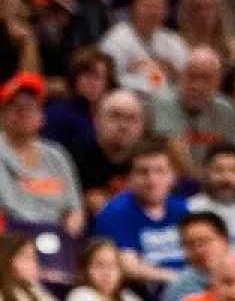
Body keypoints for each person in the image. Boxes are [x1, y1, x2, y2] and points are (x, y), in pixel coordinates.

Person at [91, 138, 190, 286]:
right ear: (129, 178)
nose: (152, 180)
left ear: (173, 177)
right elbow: (130, 268)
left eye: (160, 171)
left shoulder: (183, 209)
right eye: (143, 172)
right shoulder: (116, 213)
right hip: (144, 294)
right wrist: (182, 280)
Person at [0, 72, 84, 235]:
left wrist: (66, 237)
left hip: (55, 236)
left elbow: (75, 210)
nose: (23, 113)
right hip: (11, 236)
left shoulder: (57, 155)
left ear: (42, 116)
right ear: (3, 114)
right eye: (16, 107)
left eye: (31, 106)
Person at [149, 46, 235, 172]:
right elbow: (173, 150)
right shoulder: (164, 102)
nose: (197, 86)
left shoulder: (225, 109)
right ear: (181, 76)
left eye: (206, 78)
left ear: (217, 82)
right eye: (192, 77)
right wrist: (201, 179)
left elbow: (232, 154)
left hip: (215, 178)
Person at [98, 0, 188, 99]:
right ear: (134, 7)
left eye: (158, 6)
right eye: (147, 5)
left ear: (166, 12)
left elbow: (187, 79)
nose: (152, 12)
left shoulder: (173, 41)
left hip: (168, 106)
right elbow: (107, 81)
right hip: (129, 103)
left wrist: (172, 71)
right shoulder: (116, 39)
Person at [69, 88, 146, 208]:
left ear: (142, 126)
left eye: (132, 118)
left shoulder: (149, 160)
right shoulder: (75, 159)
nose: (124, 125)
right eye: (115, 116)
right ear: (97, 120)